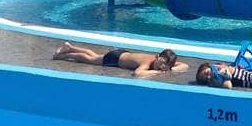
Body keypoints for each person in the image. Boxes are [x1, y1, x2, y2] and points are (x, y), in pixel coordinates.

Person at [53, 42, 189, 78]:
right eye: (162, 62)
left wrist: (170, 68)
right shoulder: (148, 62)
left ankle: (70, 47)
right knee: (90, 59)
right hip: (116, 58)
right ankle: (65, 56)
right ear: (157, 56)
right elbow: (137, 74)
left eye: (165, 65)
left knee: (95, 55)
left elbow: (185, 65)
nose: (162, 66)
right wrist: (158, 73)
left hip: (122, 53)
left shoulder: (160, 62)